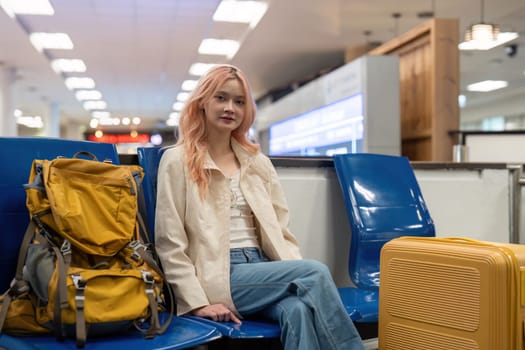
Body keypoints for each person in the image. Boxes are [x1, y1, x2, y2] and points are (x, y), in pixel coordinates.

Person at [155, 64, 365, 350]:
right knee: (314, 272)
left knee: (297, 311)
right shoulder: (177, 160)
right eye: (221, 98)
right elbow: (169, 243)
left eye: (239, 102)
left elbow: (281, 230)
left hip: (264, 269)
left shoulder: (257, 163)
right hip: (218, 273)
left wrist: (289, 269)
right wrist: (196, 302)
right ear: (202, 102)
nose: (230, 107)